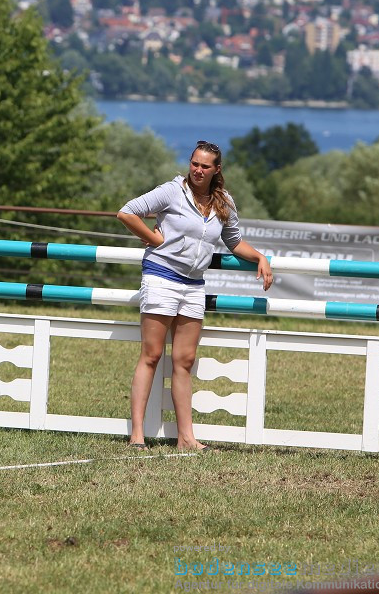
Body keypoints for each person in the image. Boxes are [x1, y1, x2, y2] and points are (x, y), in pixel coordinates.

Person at [116, 141, 273, 452]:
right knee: (152, 355)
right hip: (161, 278)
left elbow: (234, 241)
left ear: (216, 170)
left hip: (194, 285)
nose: (198, 170)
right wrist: (154, 239)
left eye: (205, 166)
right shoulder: (172, 191)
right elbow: (127, 212)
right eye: (194, 164)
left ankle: (186, 438)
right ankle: (137, 436)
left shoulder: (224, 201)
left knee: (184, 361)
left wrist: (260, 258)